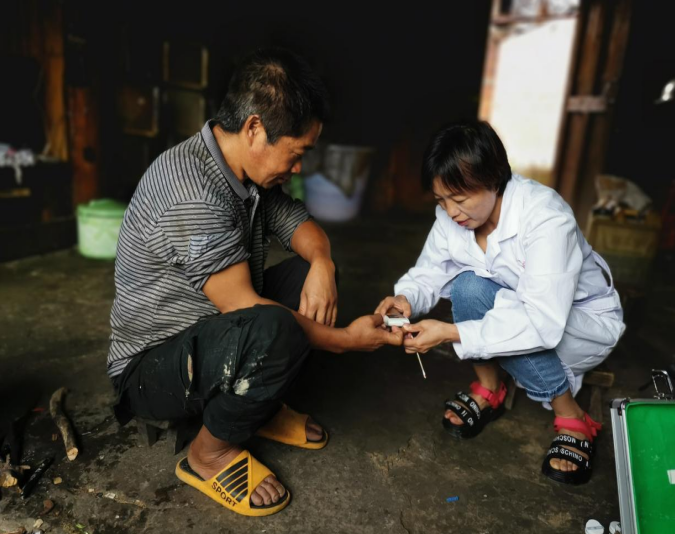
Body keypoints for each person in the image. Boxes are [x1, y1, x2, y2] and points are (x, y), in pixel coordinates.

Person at [109, 47, 402, 517]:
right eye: (297, 153)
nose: (298, 167)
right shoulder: (192, 191)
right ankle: (208, 455)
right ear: (254, 129)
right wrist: (346, 340)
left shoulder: (246, 172)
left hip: (212, 334)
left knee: (307, 279)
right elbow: (244, 307)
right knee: (272, 329)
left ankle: (254, 407)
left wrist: (323, 263)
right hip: (151, 367)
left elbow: (301, 227)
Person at [376, 120, 625, 486]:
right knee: (467, 288)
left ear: (493, 179)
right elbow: (429, 271)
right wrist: (405, 298)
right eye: (441, 201)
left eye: (459, 199)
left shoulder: (545, 216)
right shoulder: (452, 217)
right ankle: (491, 387)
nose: (450, 212)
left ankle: (572, 417)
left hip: (578, 325)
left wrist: (451, 332)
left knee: (516, 317)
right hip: (517, 309)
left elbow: (540, 322)